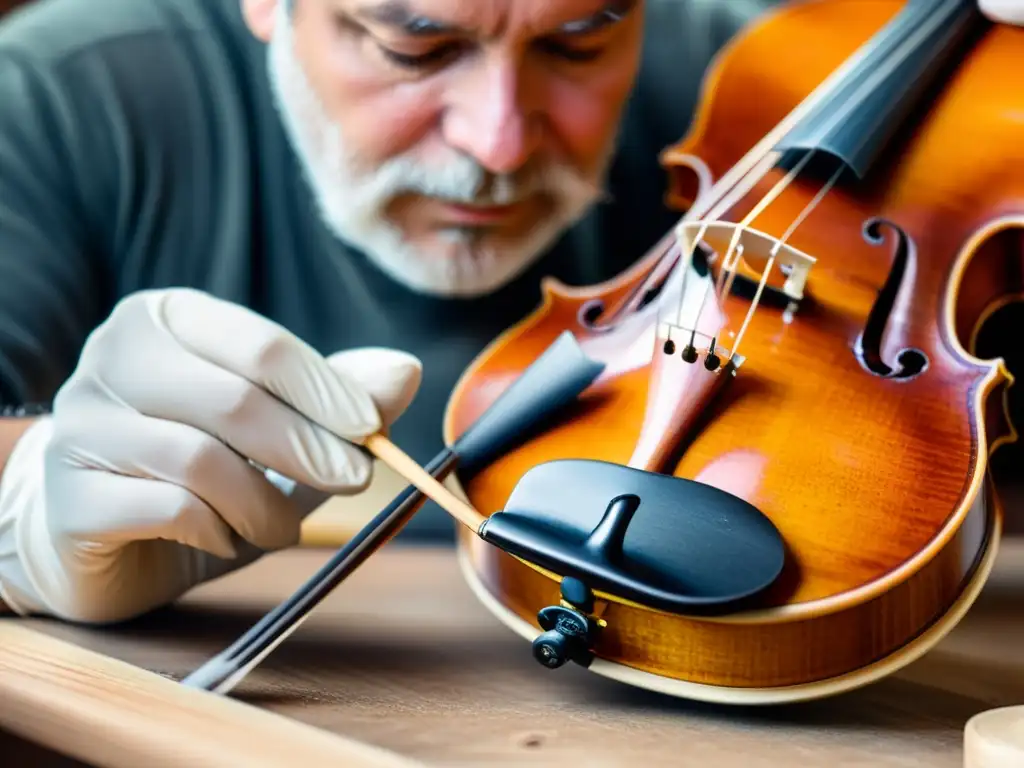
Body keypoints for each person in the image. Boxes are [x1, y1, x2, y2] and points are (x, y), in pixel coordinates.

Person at [0, 0, 1013, 627]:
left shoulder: (771, 84)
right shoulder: (58, 93)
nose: (497, 141)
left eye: (579, 42)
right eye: (415, 42)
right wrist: (26, 518)